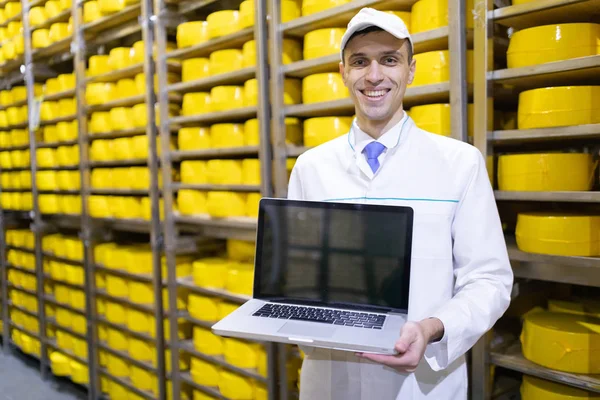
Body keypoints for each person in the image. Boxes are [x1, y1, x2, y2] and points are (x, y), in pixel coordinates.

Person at [287, 8, 514, 400]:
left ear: (410, 70)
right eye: (360, 62)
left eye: (389, 60)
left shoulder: (459, 164)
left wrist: (431, 328)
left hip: (422, 386)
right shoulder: (311, 167)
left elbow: (490, 281)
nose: (374, 75)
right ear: (343, 72)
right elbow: (296, 274)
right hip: (330, 382)